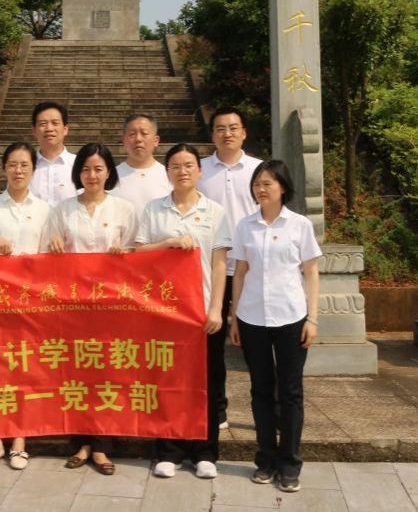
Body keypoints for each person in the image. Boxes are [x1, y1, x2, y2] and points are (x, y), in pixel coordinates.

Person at [134, 144, 229, 480]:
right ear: (167, 172)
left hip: (201, 309)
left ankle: (205, 451)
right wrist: (168, 243)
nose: (182, 171)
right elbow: (139, 252)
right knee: (167, 381)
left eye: (189, 165)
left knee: (206, 381)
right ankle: (169, 451)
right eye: (175, 165)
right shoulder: (154, 209)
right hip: (164, 311)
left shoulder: (215, 211)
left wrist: (216, 308)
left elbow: (219, 264)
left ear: (200, 171)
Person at [43, 143, 137, 476]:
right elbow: (47, 254)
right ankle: (81, 443)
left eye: (98, 169)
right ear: (77, 173)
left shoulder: (124, 209)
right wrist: (54, 247)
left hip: (112, 307)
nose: (92, 175)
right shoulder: (63, 210)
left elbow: (139, 255)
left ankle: (102, 445)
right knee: (77, 373)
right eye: (85, 169)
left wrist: (125, 254)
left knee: (108, 374)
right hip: (73, 307)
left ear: (109, 172)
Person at [228, 159, 320, 494]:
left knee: (291, 392)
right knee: (261, 390)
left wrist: (312, 318)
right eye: (257, 183)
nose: (261, 189)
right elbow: (240, 273)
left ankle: (290, 463)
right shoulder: (245, 226)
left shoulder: (299, 225)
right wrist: (234, 316)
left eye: (267, 183)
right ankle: (265, 459)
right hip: (252, 317)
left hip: (291, 317)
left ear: (283, 187)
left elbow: (311, 273)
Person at [0, 141, 51, 471]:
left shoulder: (45, 209)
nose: (18, 170)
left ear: (33, 170)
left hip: (30, 303)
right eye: (13, 164)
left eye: (25, 165)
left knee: (25, 369)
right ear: (4, 168)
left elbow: (48, 255)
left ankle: (20, 441)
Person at [195, 107, 261, 430]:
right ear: (212, 135)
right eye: (220, 128)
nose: (227, 133)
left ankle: (267, 411)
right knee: (212, 344)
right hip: (212, 268)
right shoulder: (200, 169)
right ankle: (217, 409)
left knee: (257, 344)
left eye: (234, 127)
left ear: (244, 132)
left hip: (251, 268)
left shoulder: (259, 170)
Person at [112, 113, 172, 211]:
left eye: (144, 133)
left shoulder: (169, 176)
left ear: (156, 140)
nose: (138, 139)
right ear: (124, 140)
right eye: (132, 134)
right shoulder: (111, 177)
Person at [29, 101, 77, 204]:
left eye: (55, 123)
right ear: (34, 130)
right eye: (43, 124)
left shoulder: (79, 165)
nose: (49, 129)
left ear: (65, 129)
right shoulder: (24, 168)